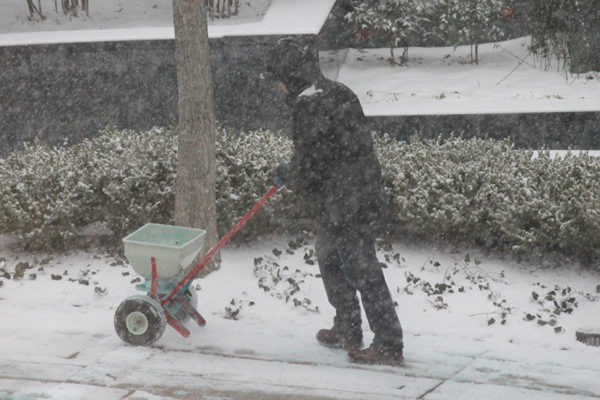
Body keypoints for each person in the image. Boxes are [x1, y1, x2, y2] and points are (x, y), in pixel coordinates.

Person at [266, 37, 404, 366]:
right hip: (346, 195)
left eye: (278, 81)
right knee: (329, 256)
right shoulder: (334, 92)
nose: (278, 89)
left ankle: (388, 341)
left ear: (290, 76)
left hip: (348, 199)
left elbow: (314, 158)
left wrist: (290, 173)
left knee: (361, 266)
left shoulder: (310, 103)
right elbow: (328, 151)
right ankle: (347, 326)